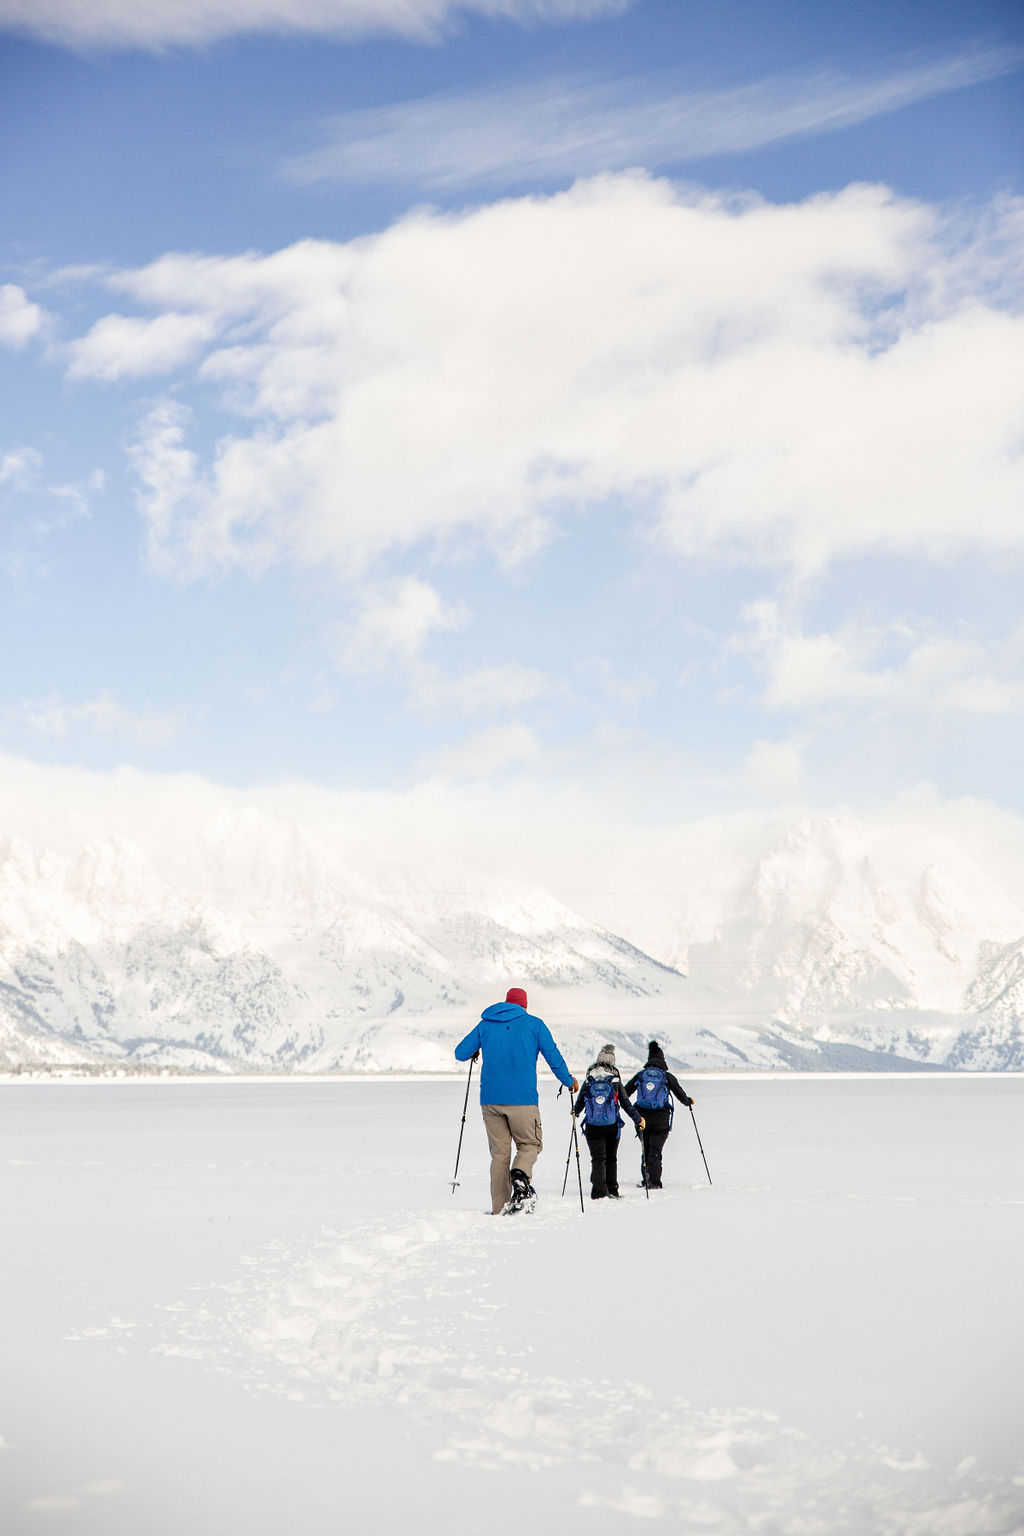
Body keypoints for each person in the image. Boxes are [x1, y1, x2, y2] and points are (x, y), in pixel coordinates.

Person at [455, 987, 577, 1215]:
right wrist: (569, 1081)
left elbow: (460, 1053)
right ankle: (520, 1175)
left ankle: (498, 1209)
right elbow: (553, 1057)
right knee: (530, 1145)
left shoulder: (485, 1024)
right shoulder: (535, 1024)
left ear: (506, 1003)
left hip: (490, 1101)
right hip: (523, 1100)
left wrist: (477, 1050)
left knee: (499, 1154)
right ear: (525, 1005)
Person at [573, 1043, 644, 1200]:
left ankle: (598, 1191)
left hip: (592, 1126)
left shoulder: (589, 1080)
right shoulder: (615, 1081)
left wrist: (575, 1112)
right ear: (613, 1062)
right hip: (612, 1126)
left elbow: (579, 1104)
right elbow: (625, 1104)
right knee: (611, 1158)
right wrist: (638, 1119)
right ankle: (612, 1189)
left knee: (598, 1159)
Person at [624, 1041, 695, 1190]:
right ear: (662, 1060)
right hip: (661, 1120)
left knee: (646, 1149)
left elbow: (625, 1092)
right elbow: (680, 1095)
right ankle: (654, 1182)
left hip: (641, 1118)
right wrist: (688, 1102)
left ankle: (646, 1179)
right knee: (655, 1151)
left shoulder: (640, 1075)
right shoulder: (667, 1076)